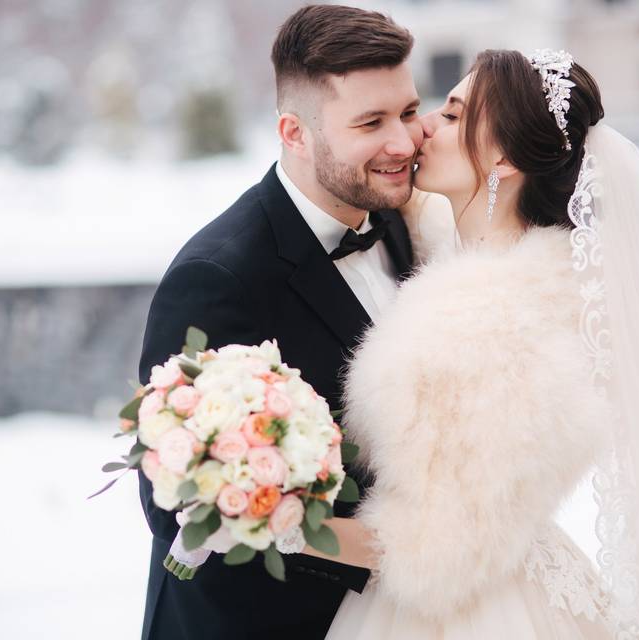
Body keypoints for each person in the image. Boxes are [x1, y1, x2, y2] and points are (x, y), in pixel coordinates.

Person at [325, 49, 639, 639]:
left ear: (502, 156)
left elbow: (439, 551)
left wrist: (275, 523)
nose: (423, 124)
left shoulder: (506, 328)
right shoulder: (480, 252)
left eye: (453, 116)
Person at [135, 5, 422, 639]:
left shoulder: (405, 218)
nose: (403, 142)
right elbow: (178, 502)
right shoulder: (218, 278)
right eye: (371, 122)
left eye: (408, 111)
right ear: (294, 132)